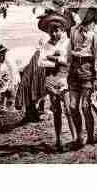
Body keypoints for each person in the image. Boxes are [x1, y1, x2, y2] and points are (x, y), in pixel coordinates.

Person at [68, 4, 97, 150]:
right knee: (72, 106)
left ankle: (90, 137)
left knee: (85, 106)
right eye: (81, 11)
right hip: (74, 70)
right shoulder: (74, 30)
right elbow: (69, 51)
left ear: (92, 13)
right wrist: (67, 68)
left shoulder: (96, 32)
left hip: (88, 70)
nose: (83, 14)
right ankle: (79, 136)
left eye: (87, 12)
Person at [37, 13, 76, 151]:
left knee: (69, 109)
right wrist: (56, 60)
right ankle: (59, 139)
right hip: (51, 80)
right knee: (56, 111)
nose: (53, 33)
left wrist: (52, 58)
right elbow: (40, 62)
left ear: (62, 30)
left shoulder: (67, 43)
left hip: (65, 78)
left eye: (56, 30)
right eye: (51, 31)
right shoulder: (46, 44)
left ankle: (75, 137)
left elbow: (68, 61)